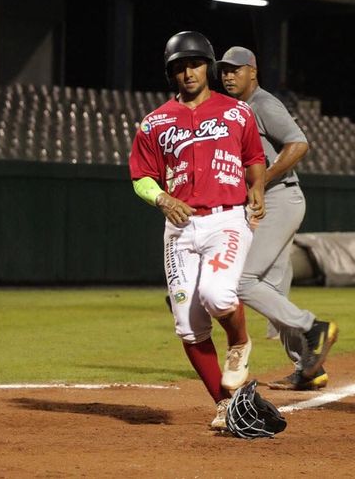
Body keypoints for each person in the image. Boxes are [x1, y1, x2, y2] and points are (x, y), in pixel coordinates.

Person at [128, 31, 266, 431]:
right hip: (180, 227)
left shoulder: (238, 112)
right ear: (170, 73)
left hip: (227, 219)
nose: (188, 73)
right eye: (179, 67)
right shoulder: (155, 122)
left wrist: (257, 187)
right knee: (188, 327)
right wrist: (162, 199)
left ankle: (238, 342)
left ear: (208, 67)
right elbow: (141, 177)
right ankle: (225, 405)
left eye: (195, 64)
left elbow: (254, 157)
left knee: (217, 294)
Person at [218, 46, 338, 392]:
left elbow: (298, 143)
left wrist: (262, 180)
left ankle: (313, 327)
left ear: (253, 72)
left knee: (242, 281)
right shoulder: (236, 109)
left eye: (236, 69)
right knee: (270, 291)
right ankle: (308, 368)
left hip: (280, 198)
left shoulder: (263, 104)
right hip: (270, 200)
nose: (228, 76)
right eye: (224, 70)